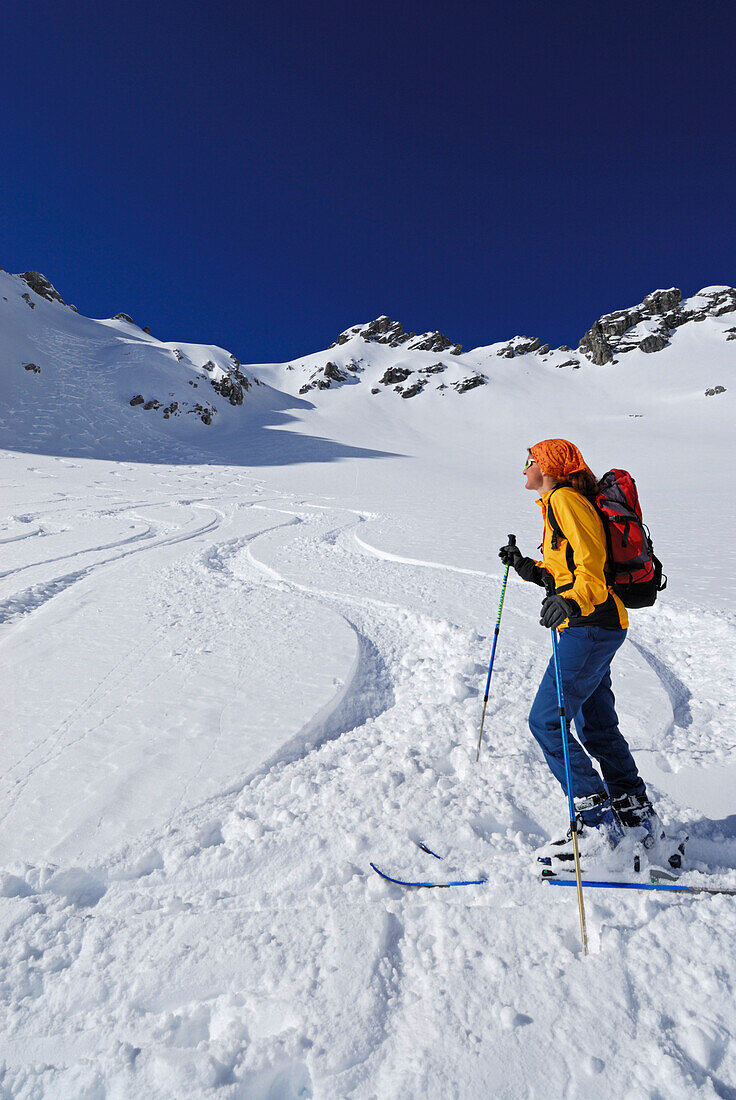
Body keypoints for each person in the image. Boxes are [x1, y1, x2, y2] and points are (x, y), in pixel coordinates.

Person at [498, 438, 658, 861]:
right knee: (596, 726)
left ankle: (598, 828)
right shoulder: (556, 504)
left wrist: (570, 602)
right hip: (593, 625)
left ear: (547, 466)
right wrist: (526, 567)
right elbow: (566, 571)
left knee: (546, 722)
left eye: (528, 460)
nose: (524, 468)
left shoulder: (566, 501)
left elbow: (591, 569)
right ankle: (635, 812)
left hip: (590, 626)